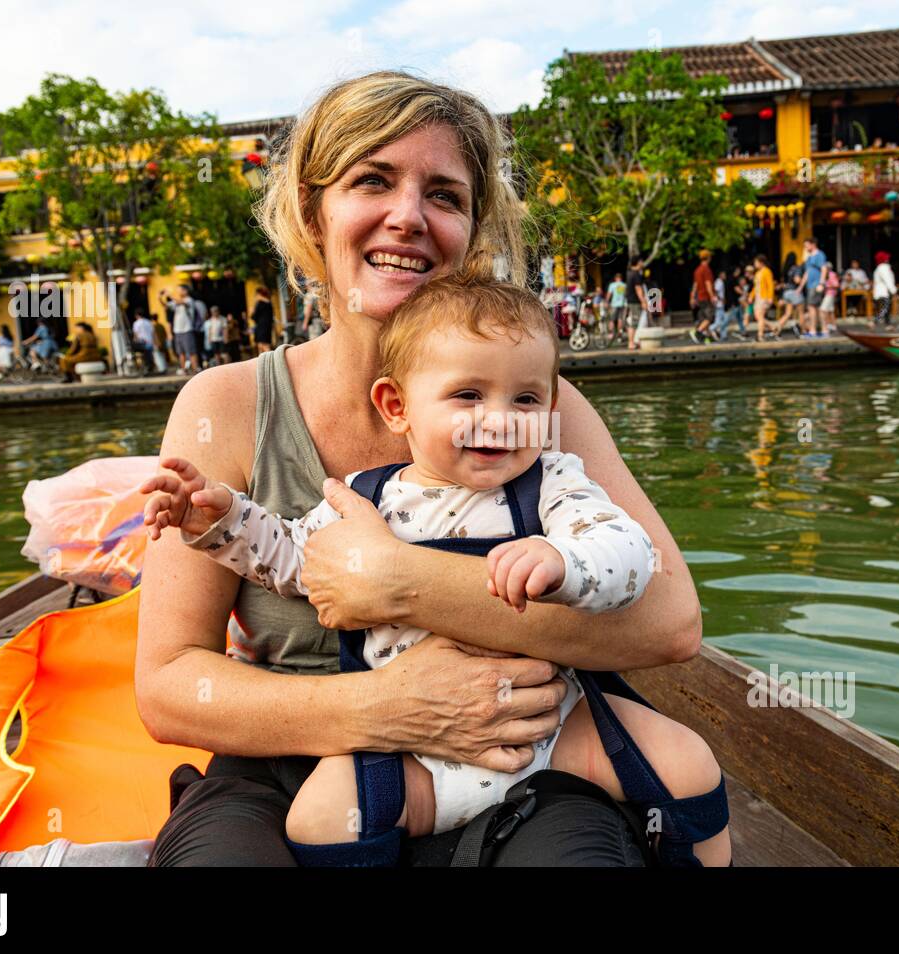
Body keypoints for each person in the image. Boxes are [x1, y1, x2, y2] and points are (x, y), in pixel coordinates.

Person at [138, 70, 721, 868]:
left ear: (473, 228)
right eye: (372, 180)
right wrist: (387, 707)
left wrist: (400, 584)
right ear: (313, 211)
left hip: (521, 752)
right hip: (291, 757)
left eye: (444, 195)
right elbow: (169, 685)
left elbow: (669, 621)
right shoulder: (230, 402)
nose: (408, 217)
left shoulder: (539, 408)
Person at [801, 238, 828, 337]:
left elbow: (824, 269)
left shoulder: (819, 255)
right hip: (810, 285)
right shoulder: (809, 257)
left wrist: (821, 283)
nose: (806, 247)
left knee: (813, 307)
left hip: (816, 285)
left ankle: (814, 330)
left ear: (813, 244)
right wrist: (800, 287)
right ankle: (820, 330)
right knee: (814, 308)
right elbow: (807, 272)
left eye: (807, 245)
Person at [689, 250, 715, 344]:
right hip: (705, 296)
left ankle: (708, 337)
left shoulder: (697, 270)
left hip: (699, 297)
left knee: (704, 318)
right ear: (708, 258)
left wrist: (692, 297)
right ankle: (698, 332)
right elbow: (708, 284)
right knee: (710, 317)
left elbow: (695, 285)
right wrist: (712, 296)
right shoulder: (706, 269)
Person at [625, 256, 651, 349]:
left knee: (634, 321)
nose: (642, 263)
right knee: (634, 322)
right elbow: (638, 289)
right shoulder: (636, 274)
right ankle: (631, 343)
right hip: (635, 301)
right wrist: (643, 301)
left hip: (631, 300)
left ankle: (634, 342)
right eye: (641, 261)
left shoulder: (629, 273)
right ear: (638, 262)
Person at [171, 287, 198, 374]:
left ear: (186, 291)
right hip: (177, 331)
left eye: (180, 289)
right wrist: (160, 298)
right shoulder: (176, 302)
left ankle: (195, 370)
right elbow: (166, 306)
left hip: (187, 330)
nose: (178, 291)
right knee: (180, 352)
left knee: (191, 352)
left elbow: (181, 302)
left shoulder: (189, 300)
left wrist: (169, 295)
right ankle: (184, 370)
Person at [751, 254, 775, 341]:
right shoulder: (757, 273)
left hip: (764, 297)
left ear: (761, 262)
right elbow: (755, 286)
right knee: (757, 316)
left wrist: (770, 297)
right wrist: (751, 296)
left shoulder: (767, 271)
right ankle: (773, 327)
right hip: (758, 297)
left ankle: (760, 335)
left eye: (756, 262)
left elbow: (770, 285)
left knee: (760, 315)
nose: (755, 264)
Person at [872, 251, 897, 328]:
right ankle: (884, 323)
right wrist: (893, 290)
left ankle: (878, 322)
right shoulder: (883, 268)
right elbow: (888, 280)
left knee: (884, 308)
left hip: (879, 291)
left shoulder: (879, 268)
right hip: (884, 291)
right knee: (886, 308)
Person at [818, 264, 840, 336]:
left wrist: (826, 286)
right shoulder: (826, 274)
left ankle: (826, 326)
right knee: (830, 311)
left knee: (823, 309)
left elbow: (836, 284)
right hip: (828, 293)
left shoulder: (832, 274)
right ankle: (833, 326)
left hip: (830, 293)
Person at [251, 288, 275, 353]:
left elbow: (254, 317)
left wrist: (252, 312)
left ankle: (269, 362)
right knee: (261, 345)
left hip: (262, 327)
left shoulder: (259, 303)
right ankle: (264, 362)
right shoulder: (269, 303)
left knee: (264, 346)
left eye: (256, 294)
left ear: (259, 294)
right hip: (266, 326)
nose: (255, 296)